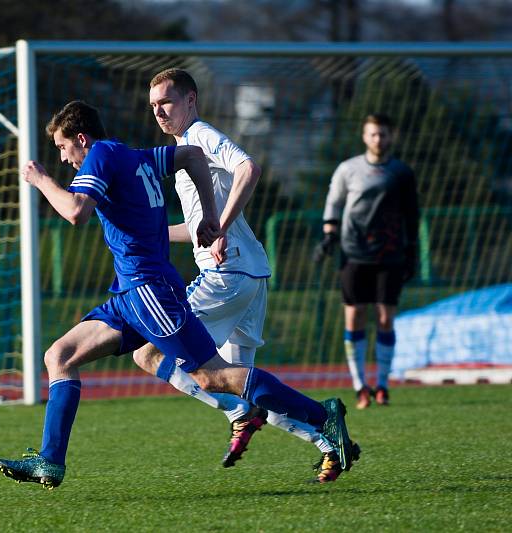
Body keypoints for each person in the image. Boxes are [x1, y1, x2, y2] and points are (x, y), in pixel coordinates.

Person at [0, 100, 357, 490]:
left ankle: (323, 417)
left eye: (63, 148)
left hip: (150, 290)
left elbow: (76, 211)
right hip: (128, 294)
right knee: (60, 356)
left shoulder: (100, 154)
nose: (64, 158)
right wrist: (208, 214)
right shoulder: (134, 156)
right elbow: (190, 157)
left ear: (81, 138)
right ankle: (50, 461)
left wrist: (40, 178)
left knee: (212, 375)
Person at [130, 68, 353, 481]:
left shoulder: (200, 136)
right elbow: (199, 228)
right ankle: (329, 438)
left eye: (167, 102)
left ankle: (244, 414)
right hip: (250, 275)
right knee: (241, 382)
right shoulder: (184, 147)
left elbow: (248, 168)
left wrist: (222, 226)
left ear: (191, 100)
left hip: (226, 274)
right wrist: (151, 233)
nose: (160, 111)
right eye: (154, 105)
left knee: (147, 352)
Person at [314, 113, 419, 409]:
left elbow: (412, 214)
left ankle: (383, 385)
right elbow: (333, 203)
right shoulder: (348, 169)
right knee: (355, 316)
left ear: (391, 136)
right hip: (353, 252)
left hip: (390, 254)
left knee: (385, 318)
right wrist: (329, 236)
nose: (378, 139)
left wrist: (411, 250)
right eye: (373, 134)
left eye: (383, 134)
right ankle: (360, 387)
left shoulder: (401, 172)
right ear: (364, 136)